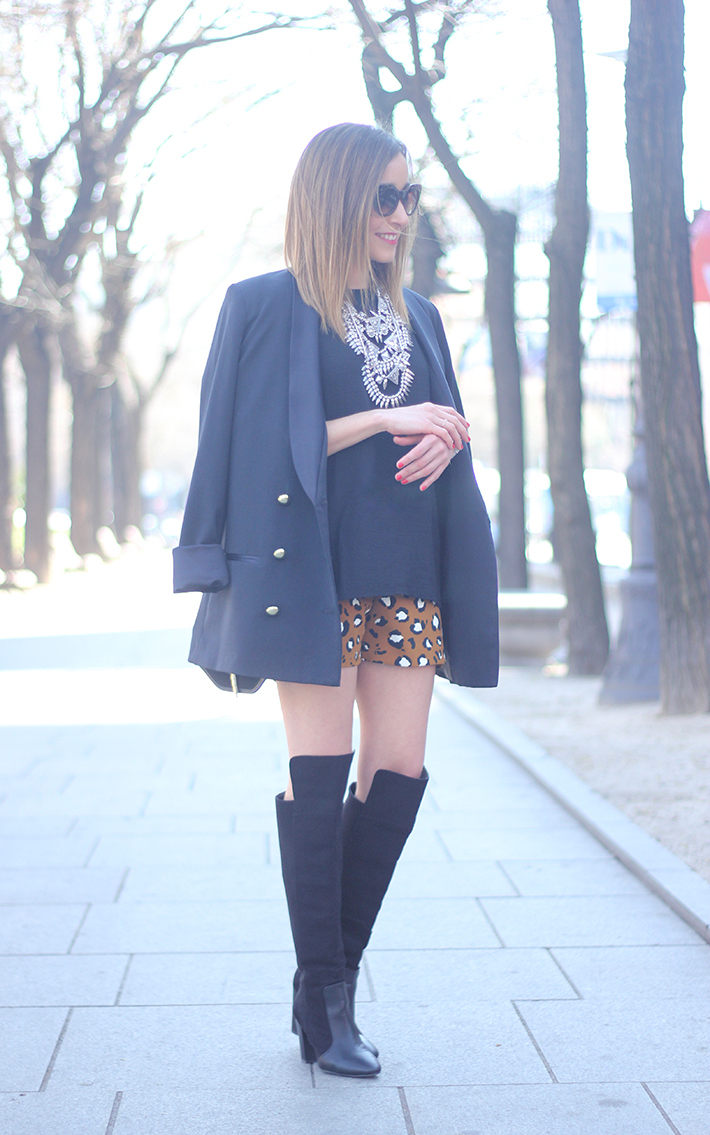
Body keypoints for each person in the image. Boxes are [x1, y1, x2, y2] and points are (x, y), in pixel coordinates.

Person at [173, 122, 498, 1078]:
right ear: (338, 196)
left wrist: (446, 432)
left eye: (409, 196)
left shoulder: (420, 314)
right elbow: (251, 447)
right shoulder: (267, 305)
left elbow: (434, 419)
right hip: (311, 575)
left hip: (409, 569)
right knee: (320, 773)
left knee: (398, 773)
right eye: (384, 195)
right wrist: (386, 416)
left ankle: (326, 980)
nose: (400, 213)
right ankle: (329, 1001)